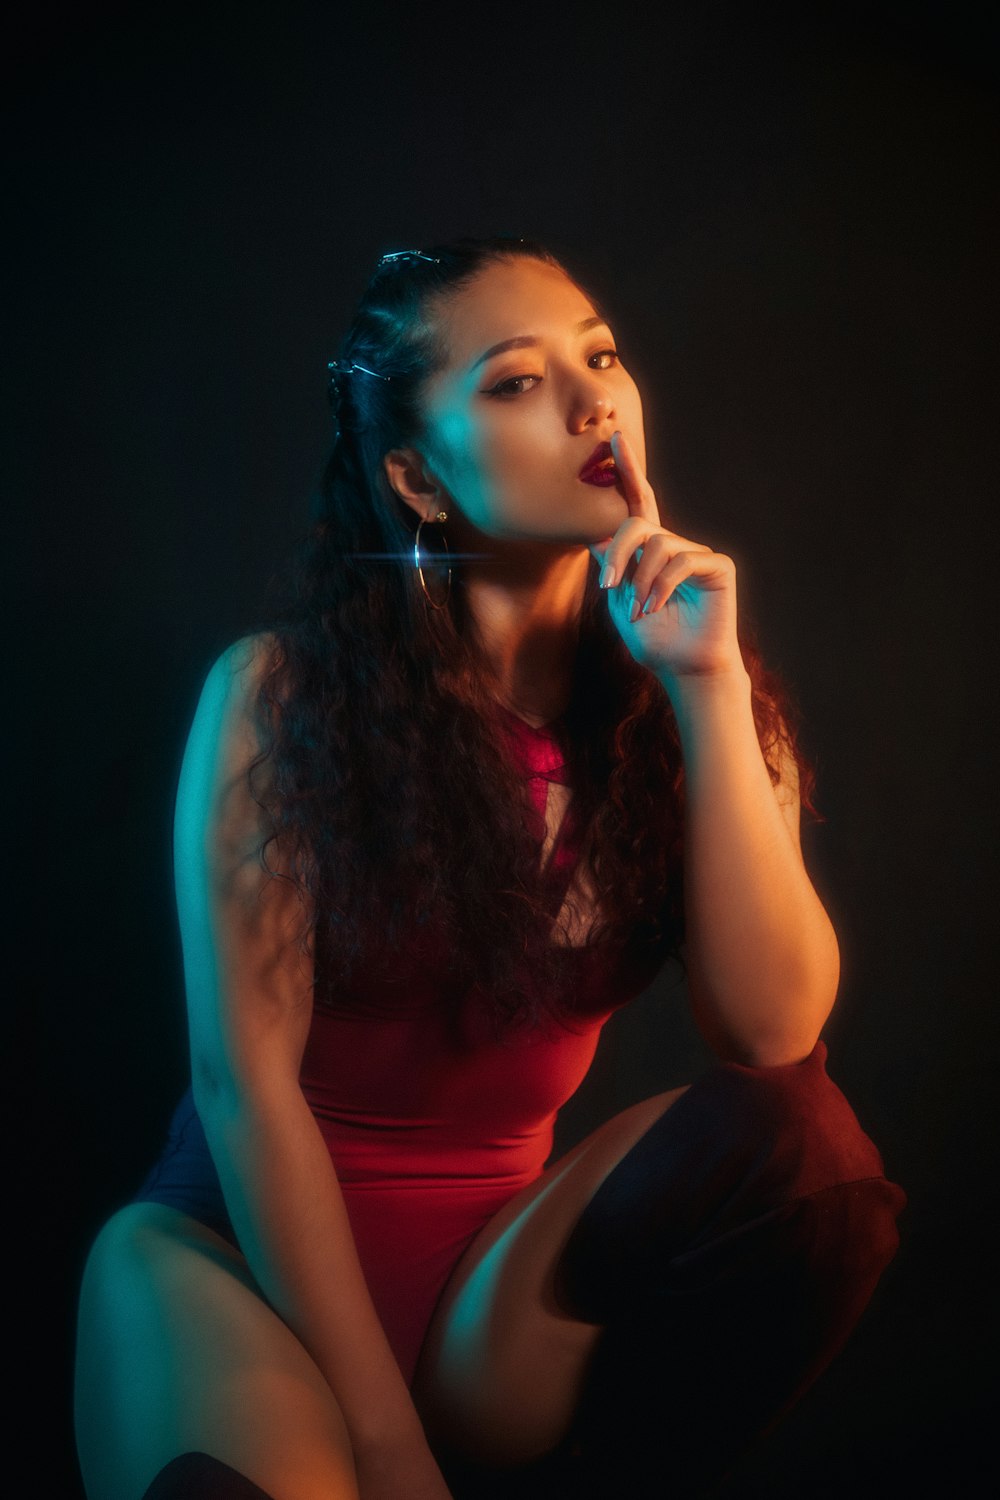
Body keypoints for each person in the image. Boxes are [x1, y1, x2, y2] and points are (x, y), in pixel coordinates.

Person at [74, 235, 907, 1500]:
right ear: (416, 477)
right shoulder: (281, 698)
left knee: (804, 1151)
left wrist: (708, 686)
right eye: (516, 381)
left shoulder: (698, 705)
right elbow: (242, 1086)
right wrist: (384, 1438)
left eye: (601, 356)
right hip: (237, 1261)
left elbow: (774, 1031)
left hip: (495, 1284)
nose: (592, 402)